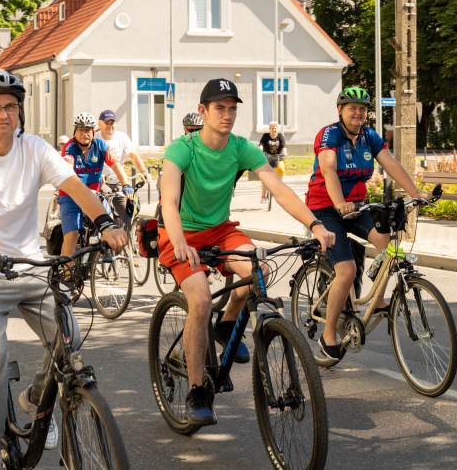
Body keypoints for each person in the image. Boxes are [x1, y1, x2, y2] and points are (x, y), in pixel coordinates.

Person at [0, 69, 127, 470]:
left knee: (70, 339)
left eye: (10, 106)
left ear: (19, 112)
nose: (3, 114)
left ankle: (34, 399)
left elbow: (76, 188)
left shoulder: (35, 149)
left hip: (28, 267)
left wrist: (106, 223)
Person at [158, 78, 334, 425]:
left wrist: (315, 224)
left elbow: (279, 189)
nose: (227, 114)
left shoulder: (241, 147)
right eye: (220, 108)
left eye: (232, 108)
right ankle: (197, 392)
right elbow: (169, 200)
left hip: (220, 230)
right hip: (180, 233)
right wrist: (179, 241)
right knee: (201, 299)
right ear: (203, 111)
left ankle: (226, 326)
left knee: (260, 270)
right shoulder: (182, 149)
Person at [305, 86, 427, 366]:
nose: (358, 113)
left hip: (357, 205)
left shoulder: (369, 136)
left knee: (389, 244)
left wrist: (416, 193)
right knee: (346, 270)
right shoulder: (329, 134)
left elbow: (392, 164)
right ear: (340, 110)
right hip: (326, 206)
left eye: (362, 108)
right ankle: (327, 336)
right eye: (352, 108)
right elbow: (329, 170)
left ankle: (379, 300)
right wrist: (338, 203)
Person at [56, 113, 130, 257]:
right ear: (75, 132)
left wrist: (126, 184)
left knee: (109, 223)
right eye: (81, 130)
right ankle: (68, 275)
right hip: (71, 195)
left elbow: (115, 165)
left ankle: (99, 255)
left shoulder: (101, 145)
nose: (84, 133)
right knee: (72, 235)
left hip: (93, 195)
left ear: (93, 132)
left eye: (88, 130)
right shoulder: (69, 147)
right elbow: (68, 170)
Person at [258, 121, 287, 203]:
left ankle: (278, 185)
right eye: (272, 128)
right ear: (269, 129)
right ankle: (263, 197)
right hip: (267, 157)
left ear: (278, 129)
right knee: (264, 178)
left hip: (278, 157)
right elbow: (261, 144)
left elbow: (284, 146)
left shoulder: (280, 136)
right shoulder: (265, 136)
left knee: (281, 169)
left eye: (275, 128)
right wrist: (260, 150)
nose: (274, 130)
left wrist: (284, 152)